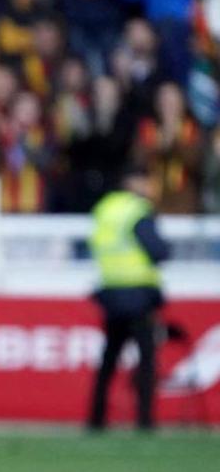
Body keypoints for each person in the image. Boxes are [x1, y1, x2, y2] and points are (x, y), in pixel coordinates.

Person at [88, 166, 170, 432]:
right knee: (146, 359)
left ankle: (96, 419)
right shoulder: (136, 211)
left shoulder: (105, 209)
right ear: (136, 182)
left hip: (111, 292)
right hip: (138, 293)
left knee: (109, 359)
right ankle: (145, 420)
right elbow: (157, 250)